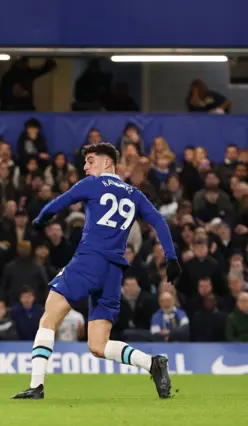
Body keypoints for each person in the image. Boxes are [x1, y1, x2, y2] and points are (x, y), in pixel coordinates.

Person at [11, 143, 181, 401]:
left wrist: (41, 219)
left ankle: (36, 386)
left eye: (90, 161)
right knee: (98, 346)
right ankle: (152, 363)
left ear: (106, 163)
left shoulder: (93, 184)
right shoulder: (135, 194)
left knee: (49, 316)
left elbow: (60, 203)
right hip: (113, 271)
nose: (86, 166)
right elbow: (158, 220)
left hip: (88, 262)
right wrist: (171, 257)